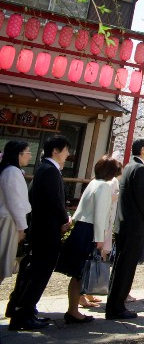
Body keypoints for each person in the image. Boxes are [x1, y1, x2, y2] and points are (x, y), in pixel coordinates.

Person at [6, 135, 72, 331]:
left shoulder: (45, 169)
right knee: (40, 272)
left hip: (41, 229)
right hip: (46, 230)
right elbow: (54, 202)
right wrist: (64, 219)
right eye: (66, 150)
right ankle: (24, 313)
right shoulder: (50, 171)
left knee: (33, 271)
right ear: (56, 151)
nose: (68, 154)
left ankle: (21, 308)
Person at [56, 156, 121, 323]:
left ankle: (73, 308)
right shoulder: (105, 187)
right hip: (90, 230)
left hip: (81, 227)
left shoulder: (93, 183)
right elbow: (100, 215)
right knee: (81, 271)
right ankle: (73, 311)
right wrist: (100, 239)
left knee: (77, 272)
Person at [106, 138, 144, 320]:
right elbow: (142, 198)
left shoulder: (129, 167)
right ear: (143, 150)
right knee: (126, 267)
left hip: (124, 224)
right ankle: (117, 307)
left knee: (120, 266)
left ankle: (113, 304)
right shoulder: (140, 169)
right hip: (134, 226)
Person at [0, 141, 32, 284]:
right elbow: (15, 203)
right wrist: (22, 227)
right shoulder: (12, 171)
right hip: (8, 220)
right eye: (28, 153)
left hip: (8, 219)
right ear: (18, 154)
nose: (30, 156)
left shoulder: (8, 170)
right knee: (2, 262)